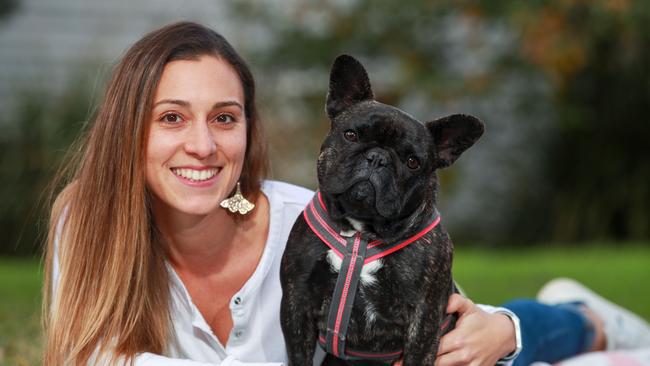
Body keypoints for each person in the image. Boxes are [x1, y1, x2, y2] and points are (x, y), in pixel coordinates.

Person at [43, 21, 650, 366]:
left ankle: (586, 318)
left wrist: (505, 331)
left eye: (224, 117)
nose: (202, 144)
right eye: (171, 117)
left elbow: (449, 324)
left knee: (503, 333)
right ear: (129, 126)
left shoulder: (292, 221)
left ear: (248, 130)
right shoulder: (92, 220)